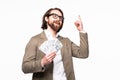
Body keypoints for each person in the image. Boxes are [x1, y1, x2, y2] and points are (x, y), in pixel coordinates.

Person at [22, 7, 89, 80]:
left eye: (61, 18)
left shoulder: (66, 41)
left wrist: (81, 31)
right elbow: (25, 67)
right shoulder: (35, 40)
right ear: (46, 18)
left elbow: (83, 54)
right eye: (55, 16)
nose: (58, 19)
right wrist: (42, 62)